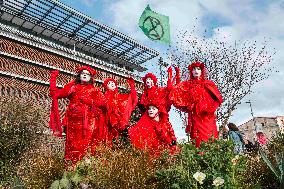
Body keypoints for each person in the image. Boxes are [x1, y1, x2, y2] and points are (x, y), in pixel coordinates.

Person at [49, 66, 108, 166]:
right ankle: (70, 170)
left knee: (85, 145)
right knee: (71, 145)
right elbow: (55, 94)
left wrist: (90, 101)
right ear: (79, 75)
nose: (84, 74)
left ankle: (83, 170)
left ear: (91, 77)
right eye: (82, 73)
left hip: (88, 123)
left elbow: (105, 104)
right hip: (72, 122)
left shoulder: (95, 90)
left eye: (87, 73)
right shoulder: (72, 87)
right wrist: (53, 78)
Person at [170, 61, 223, 148]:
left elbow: (217, 98)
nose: (196, 71)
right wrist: (177, 75)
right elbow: (176, 91)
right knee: (198, 141)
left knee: (210, 139)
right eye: (194, 69)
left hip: (207, 117)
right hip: (195, 118)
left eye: (198, 69)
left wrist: (210, 109)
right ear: (191, 71)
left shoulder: (208, 84)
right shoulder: (187, 85)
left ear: (202, 71)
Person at [103, 77, 138, 142]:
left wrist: (132, 87)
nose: (112, 83)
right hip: (107, 125)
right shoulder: (103, 97)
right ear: (106, 86)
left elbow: (133, 99)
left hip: (119, 124)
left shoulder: (121, 97)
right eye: (109, 83)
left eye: (113, 82)